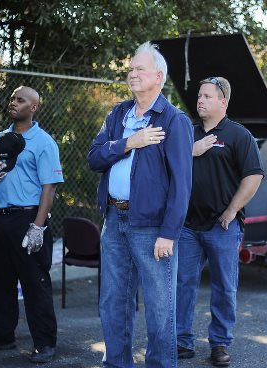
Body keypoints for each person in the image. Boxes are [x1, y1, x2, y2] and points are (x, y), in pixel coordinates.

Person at [87, 42, 194, 368]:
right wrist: (127, 143)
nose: (132, 73)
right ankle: (116, 364)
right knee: (113, 303)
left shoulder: (174, 121)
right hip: (114, 221)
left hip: (151, 229)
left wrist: (169, 233)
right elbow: (94, 158)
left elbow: (182, 184)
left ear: (158, 76)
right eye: (130, 69)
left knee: (160, 308)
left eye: (139, 69)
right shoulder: (117, 115)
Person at [0, 86, 64, 364]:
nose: (14, 102)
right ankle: (0, 335)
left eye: (20, 100)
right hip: (0, 218)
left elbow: (50, 188)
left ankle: (45, 343)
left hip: (29, 218)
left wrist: (38, 226)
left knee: (35, 283)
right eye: (12, 98)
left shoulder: (45, 143)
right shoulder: (0, 138)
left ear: (33, 108)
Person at [176, 77, 264, 367]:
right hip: (188, 225)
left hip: (222, 226)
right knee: (183, 283)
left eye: (207, 96)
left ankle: (220, 343)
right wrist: (192, 149)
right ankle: (181, 341)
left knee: (224, 287)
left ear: (223, 102)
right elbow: (168, 164)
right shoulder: (187, 133)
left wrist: (231, 211)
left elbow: (253, 177)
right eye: (199, 96)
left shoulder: (239, 135)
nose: (200, 100)